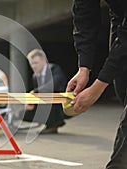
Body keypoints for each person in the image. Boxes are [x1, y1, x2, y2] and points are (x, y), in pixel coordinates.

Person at [67, 0, 127, 168]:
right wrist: (84, 68)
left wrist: (97, 88)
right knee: (122, 88)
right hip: (120, 18)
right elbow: (84, 13)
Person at [23, 49, 68, 134]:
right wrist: (31, 103)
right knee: (22, 112)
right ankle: (49, 124)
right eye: (31, 63)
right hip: (45, 103)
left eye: (36, 63)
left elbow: (53, 85)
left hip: (61, 105)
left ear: (44, 61)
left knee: (50, 99)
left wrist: (35, 92)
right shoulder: (35, 77)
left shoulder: (54, 69)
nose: (33, 66)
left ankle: (55, 123)